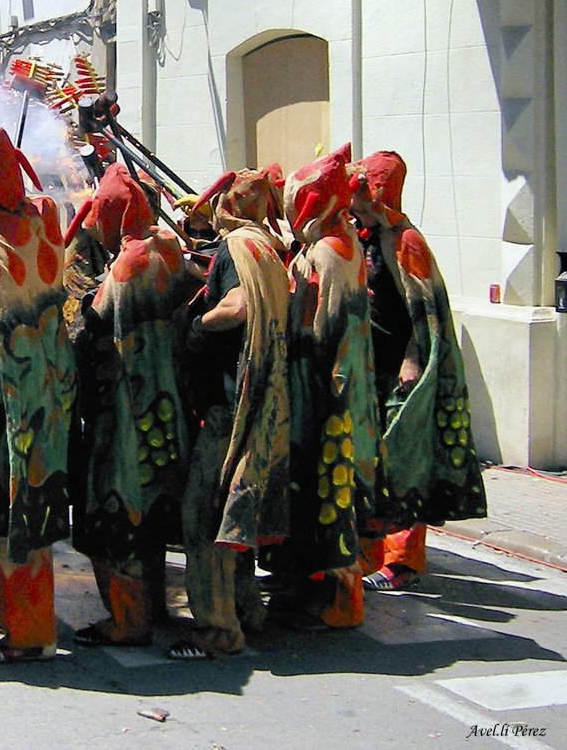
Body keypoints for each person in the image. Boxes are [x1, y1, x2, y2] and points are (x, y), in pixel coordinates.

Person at [62, 163, 192, 648]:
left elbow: (84, 336)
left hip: (122, 411)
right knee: (156, 512)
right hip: (169, 405)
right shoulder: (171, 252)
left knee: (115, 515)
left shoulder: (123, 267)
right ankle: (155, 605)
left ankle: (127, 620)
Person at [0, 128, 76, 663]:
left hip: (9, 404)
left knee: (15, 514)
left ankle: (29, 635)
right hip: (51, 396)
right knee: (34, 511)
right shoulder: (41, 226)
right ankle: (16, 615)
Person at [348, 150, 487, 590]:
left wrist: (413, 358)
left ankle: (404, 558)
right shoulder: (365, 236)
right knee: (372, 463)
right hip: (371, 365)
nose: (359, 208)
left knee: (402, 461)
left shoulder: (406, 242)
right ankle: (369, 551)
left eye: (366, 199)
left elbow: (426, 312)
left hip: (401, 369)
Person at [169, 167, 291, 659]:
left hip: (229, 407)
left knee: (204, 515)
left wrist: (198, 323)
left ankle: (218, 630)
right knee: (237, 513)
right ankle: (247, 608)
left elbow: (238, 305)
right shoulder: (266, 247)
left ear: (229, 206)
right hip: (264, 401)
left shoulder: (234, 250)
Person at [259, 143, 381, 630]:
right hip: (343, 381)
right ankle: (311, 585)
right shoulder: (342, 241)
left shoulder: (328, 253)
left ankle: (342, 601)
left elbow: (318, 325)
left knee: (328, 488)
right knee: (323, 490)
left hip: (323, 384)